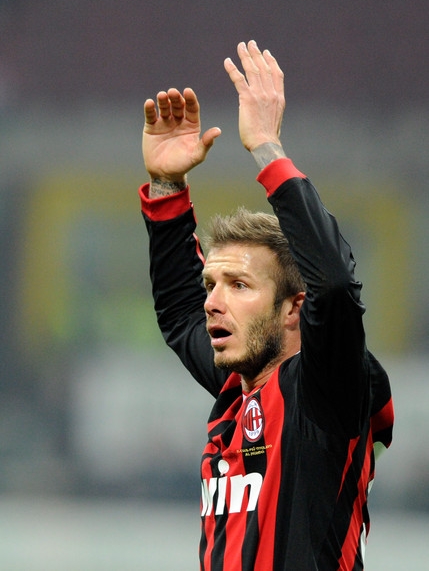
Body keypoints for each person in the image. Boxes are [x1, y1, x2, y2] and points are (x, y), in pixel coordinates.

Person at [139, 40, 394, 571]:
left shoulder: (326, 391)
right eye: (212, 284)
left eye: (239, 285)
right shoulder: (238, 389)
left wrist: (266, 148)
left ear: (293, 308)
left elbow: (335, 287)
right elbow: (180, 313)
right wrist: (166, 185)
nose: (213, 303)